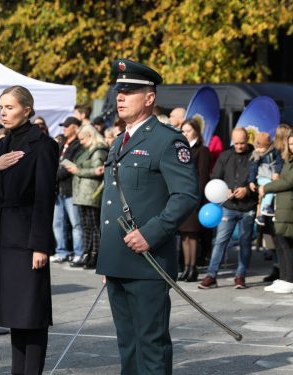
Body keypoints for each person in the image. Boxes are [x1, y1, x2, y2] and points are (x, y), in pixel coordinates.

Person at [96, 59, 198, 374]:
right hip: (118, 259)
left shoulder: (167, 140)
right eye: (118, 90)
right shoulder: (118, 142)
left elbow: (185, 196)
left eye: (129, 91)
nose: (120, 97)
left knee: (151, 344)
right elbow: (113, 202)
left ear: (149, 98)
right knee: (127, 344)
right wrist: (107, 255)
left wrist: (151, 234)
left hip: (147, 260)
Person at [0, 85, 58, 375]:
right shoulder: (2, 143)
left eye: (9, 107)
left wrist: (40, 245)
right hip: (2, 236)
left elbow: (44, 198)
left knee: (31, 314)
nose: (3, 112)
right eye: (1, 107)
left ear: (27, 109)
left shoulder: (43, 145)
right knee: (13, 313)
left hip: (26, 239)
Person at [198, 127, 256, 290]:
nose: (239, 146)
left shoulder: (255, 156)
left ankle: (240, 276)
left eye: (242, 143)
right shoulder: (225, 155)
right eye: (236, 143)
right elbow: (215, 177)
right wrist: (226, 190)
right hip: (228, 205)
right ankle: (211, 275)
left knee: (245, 243)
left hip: (248, 206)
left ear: (247, 140)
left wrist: (246, 189)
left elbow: (259, 178)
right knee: (220, 242)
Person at [260, 130, 293, 294]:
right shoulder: (290, 160)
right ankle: (283, 278)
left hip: (292, 205)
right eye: (291, 143)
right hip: (282, 205)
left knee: (287, 243)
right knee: (280, 242)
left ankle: (290, 280)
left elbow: (288, 181)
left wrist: (266, 188)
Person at [65, 124, 108, 269]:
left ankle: (95, 255)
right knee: (86, 226)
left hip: (92, 192)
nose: (81, 142)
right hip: (82, 192)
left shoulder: (99, 150)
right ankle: (87, 253)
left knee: (93, 226)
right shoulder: (87, 150)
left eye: (82, 139)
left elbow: (98, 171)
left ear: (90, 136)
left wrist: (77, 170)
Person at [178, 118, 210, 282]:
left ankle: (193, 267)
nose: (185, 134)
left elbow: (202, 176)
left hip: (194, 196)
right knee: (184, 235)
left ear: (196, 132)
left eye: (188, 131)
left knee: (193, 234)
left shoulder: (202, 150)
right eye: (183, 131)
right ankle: (186, 267)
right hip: (181, 195)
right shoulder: (181, 149)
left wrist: (197, 198)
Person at [52, 116, 84, 264]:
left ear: (75, 127)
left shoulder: (78, 145)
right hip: (58, 190)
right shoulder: (62, 142)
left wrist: (52, 175)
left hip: (70, 189)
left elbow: (69, 167)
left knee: (75, 223)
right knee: (57, 223)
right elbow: (55, 161)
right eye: (63, 126)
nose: (64, 128)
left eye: (67, 126)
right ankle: (62, 251)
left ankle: (78, 252)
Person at [248, 132, 284, 225]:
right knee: (269, 188)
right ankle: (267, 206)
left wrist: (277, 172)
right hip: (262, 177)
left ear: (268, 146)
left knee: (267, 194)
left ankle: (261, 216)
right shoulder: (256, 155)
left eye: (261, 148)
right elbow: (253, 169)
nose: (259, 150)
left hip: (272, 176)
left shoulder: (274, 152)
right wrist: (251, 181)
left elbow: (280, 162)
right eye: (256, 147)